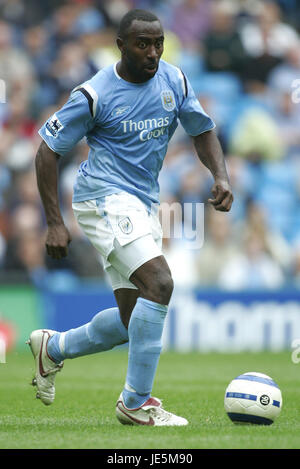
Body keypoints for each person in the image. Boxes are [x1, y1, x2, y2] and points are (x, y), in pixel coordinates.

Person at [27, 9, 233, 426]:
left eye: (158, 43)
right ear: (120, 45)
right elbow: (47, 150)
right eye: (143, 44)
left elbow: (201, 128)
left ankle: (54, 348)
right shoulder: (94, 93)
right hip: (102, 199)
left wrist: (221, 175)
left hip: (142, 204)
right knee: (161, 283)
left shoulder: (174, 79)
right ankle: (136, 403)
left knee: (132, 320)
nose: (153, 52)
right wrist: (53, 221)